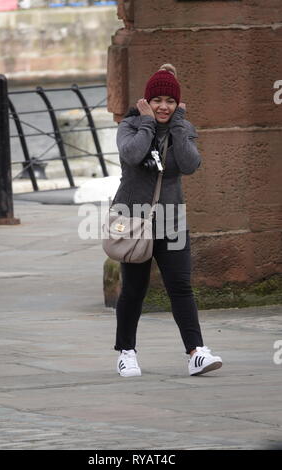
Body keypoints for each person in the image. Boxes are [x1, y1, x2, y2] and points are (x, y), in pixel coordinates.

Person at [111, 64, 222, 377]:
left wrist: (177, 126)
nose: (163, 106)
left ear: (177, 104)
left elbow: (190, 164)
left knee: (180, 286)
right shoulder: (130, 125)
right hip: (133, 217)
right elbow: (132, 156)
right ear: (147, 101)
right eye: (157, 100)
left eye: (169, 101)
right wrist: (147, 123)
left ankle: (196, 352)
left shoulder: (181, 128)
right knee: (134, 289)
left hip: (171, 218)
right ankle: (126, 352)